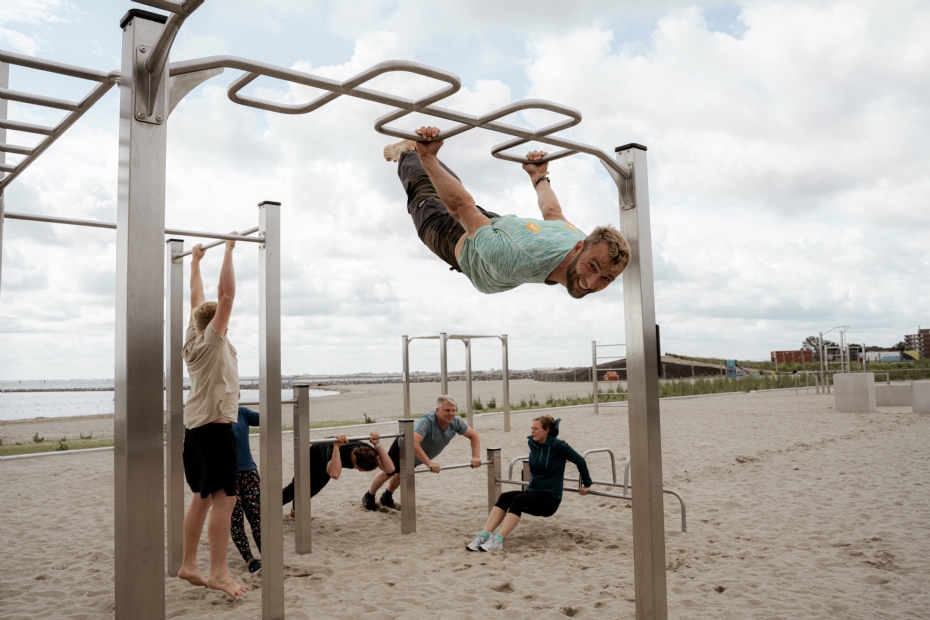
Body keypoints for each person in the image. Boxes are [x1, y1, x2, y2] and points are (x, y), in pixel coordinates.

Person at [384, 126, 632, 296]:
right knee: (423, 188)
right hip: (453, 236)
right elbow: (460, 209)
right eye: (592, 267)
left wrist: (538, 177)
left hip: (491, 227)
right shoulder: (513, 259)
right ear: (579, 248)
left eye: (606, 279)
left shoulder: (575, 237)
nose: (591, 283)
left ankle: (418, 154)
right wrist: (427, 157)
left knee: (446, 184)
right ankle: (407, 151)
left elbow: (552, 211)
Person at [178, 236, 248, 599]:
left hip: (195, 431)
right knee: (226, 499)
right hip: (215, 430)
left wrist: (194, 262)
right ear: (215, 324)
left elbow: (196, 300)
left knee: (203, 497)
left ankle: (189, 563)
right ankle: (219, 572)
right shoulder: (211, 340)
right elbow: (226, 296)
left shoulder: (192, 339)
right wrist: (229, 251)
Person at [466, 415, 592, 553]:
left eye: (536, 429)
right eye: (532, 428)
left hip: (550, 499)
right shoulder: (533, 444)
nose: (532, 431)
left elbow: (580, 460)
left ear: (547, 430)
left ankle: (498, 540)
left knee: (518, 500)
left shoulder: (559, 446)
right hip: (534, 492)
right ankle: (483, 535)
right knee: (505, 497)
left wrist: (586, 484)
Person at [363, 396, 481, 511]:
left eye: (453, 410)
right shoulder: (427, 421)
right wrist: (429, 463)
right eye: (447, 410)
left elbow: (473, 435)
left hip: (419, 455)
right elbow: (412, 442)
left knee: (402, 474)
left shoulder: (456, 422)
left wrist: (475, 456)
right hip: (404, 447)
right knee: (389, 472)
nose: (451, 414)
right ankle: (369, 496)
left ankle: (387, 496)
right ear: (437, 410)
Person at [282, 432, 393, 512]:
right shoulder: (334, 447)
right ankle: (265, 509)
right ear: (354, 459)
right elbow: (334, 474)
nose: (359, 471)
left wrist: (377, 444)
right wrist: (336, 446)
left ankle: (294, 513)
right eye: (359, 468)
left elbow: (390, 469)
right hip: (314, 457)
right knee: (294, 489)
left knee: (311, 491)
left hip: (328, 464)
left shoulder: (367, 452)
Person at [230, 406, 261, 574]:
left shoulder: (242, 412)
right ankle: (249, 559)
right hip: (226, 475)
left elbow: (265, 418)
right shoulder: (213, 414)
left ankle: (267, 553)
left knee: (256, 515)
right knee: (236, 519)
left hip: (248, 471)